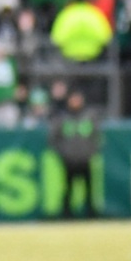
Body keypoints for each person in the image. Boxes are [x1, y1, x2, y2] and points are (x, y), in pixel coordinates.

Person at [48, 90, 101, 218]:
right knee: (68, 187)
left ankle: (91, 212)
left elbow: (97, 136)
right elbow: (53, 138)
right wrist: (63, 153)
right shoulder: (62, 117)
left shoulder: (89, 116)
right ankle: (66, 212)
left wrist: (91, 152)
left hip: (85, 158)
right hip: (69, 159)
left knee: (89, 187)